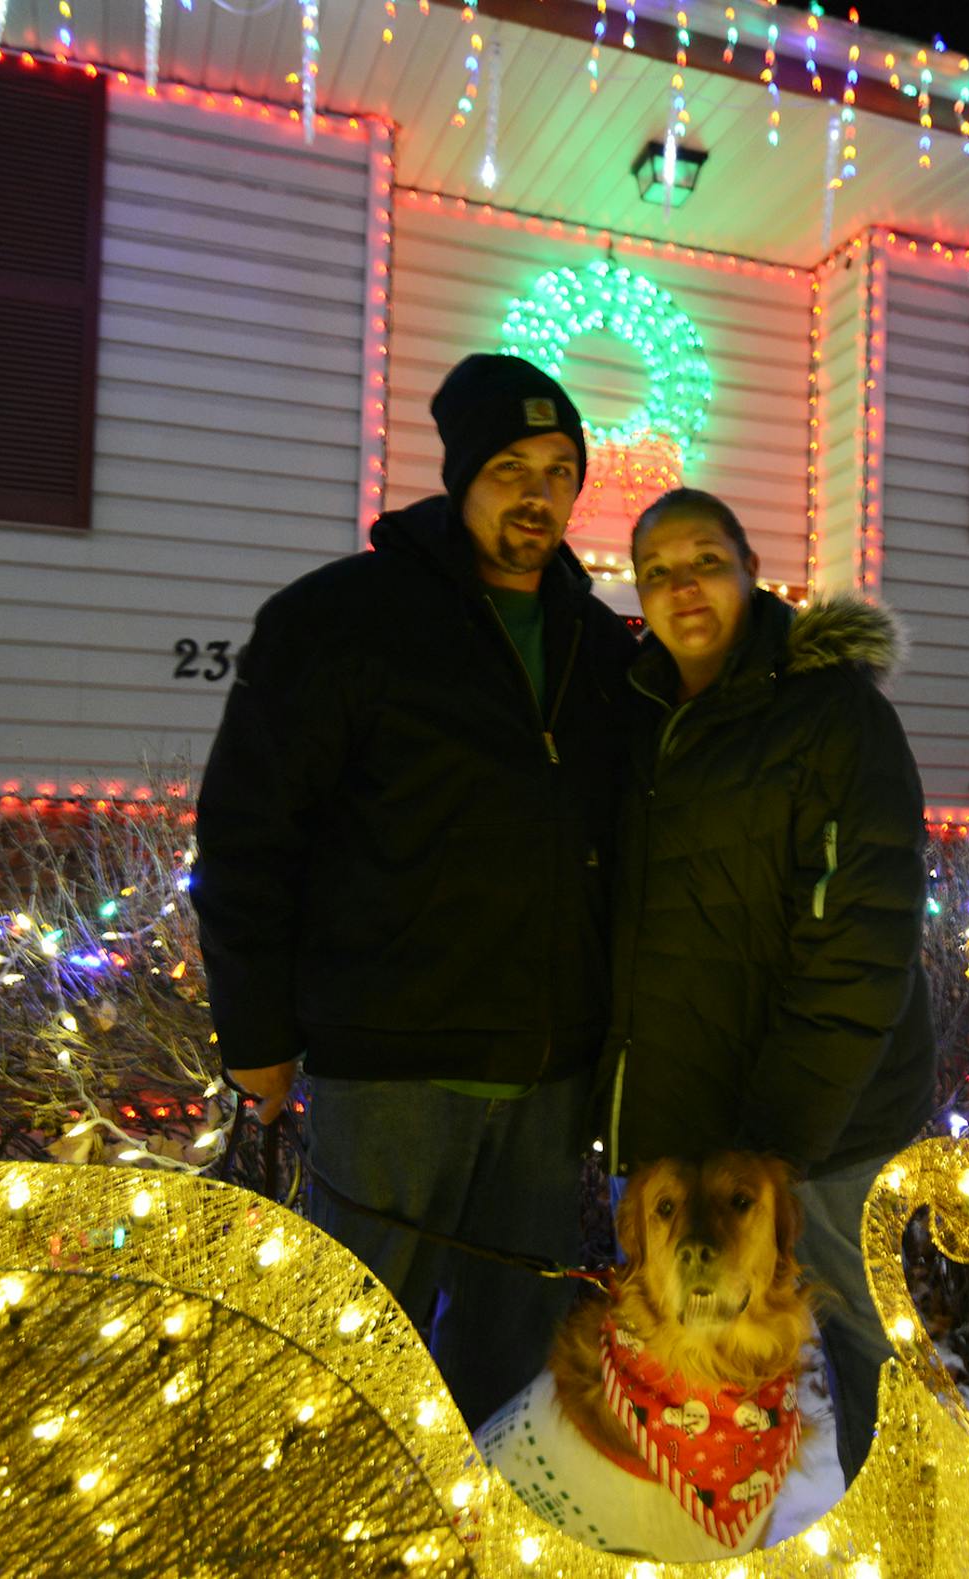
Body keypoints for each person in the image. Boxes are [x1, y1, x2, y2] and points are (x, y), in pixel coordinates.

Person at [192, 353, 637, 1432]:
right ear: (458, 477)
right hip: (392, 1073)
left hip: (542, 1083)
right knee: (344, 1353)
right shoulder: (343, 620)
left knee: (511, 1368)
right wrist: (256, 1030)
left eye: (559, 468)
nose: (537, 492)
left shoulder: (600, 643)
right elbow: (250, 835)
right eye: (509, 467)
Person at [600, 487, 936, 1484]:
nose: (680, 585)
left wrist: (782, 1143)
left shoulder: (833, 719)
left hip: (827, 1130)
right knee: (686, 1372)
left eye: (703, 558)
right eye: (656, 571)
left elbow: (858, 947)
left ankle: (907, 1538)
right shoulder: (641, 718)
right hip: (692, 1126)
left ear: (751, 572)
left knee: (869, 1348)